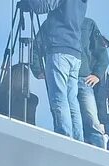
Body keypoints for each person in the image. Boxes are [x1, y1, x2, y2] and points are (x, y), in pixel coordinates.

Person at [16, 0, 89, 141]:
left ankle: (64, 138)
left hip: (59, 49)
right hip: (74, 52)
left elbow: (42, 6)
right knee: (71, 100)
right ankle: (78, 141)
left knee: (59, 99)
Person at [76, 15, 108, 148]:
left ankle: (100, 153)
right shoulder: (54, 20)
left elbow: (103, 53)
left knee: (92, 122)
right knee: (69, 117)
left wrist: (97, 74)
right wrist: (39, 71)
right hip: (64, 78)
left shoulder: (88, 24)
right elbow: (39, 44)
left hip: (84, 79)